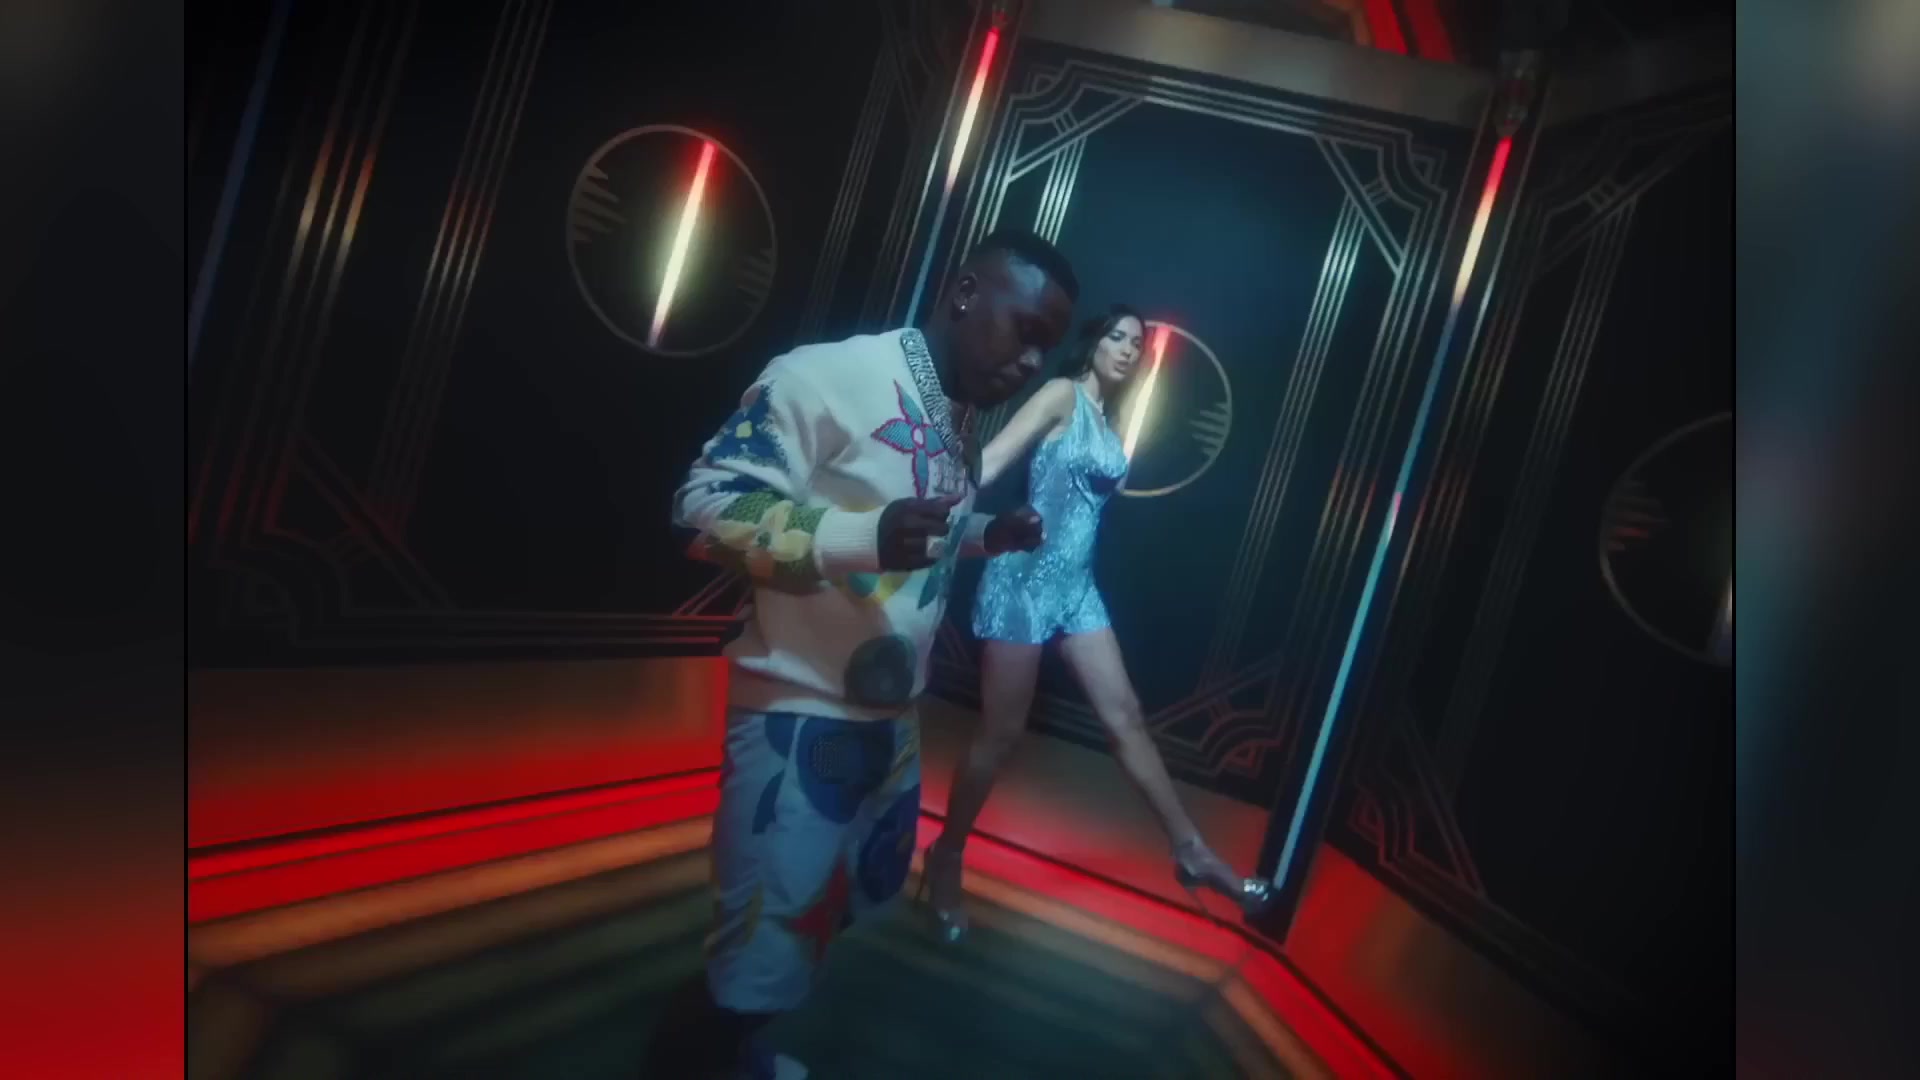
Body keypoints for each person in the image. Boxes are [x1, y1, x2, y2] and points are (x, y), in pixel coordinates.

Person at [643, 230, 1077, 1079]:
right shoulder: (827, 374)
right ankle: (696, 1056)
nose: (1032, 362)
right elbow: (701, 509)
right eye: (1025, 331)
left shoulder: (955, 415)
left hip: (891, 723)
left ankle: (739, 1051)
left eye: (1047, 348)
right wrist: (860, 535)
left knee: (853, 897)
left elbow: (914, 535)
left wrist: (987, 535)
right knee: (760, 948)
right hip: (798, 713)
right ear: (963, 293)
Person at [922, 305, 1273, 945]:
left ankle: (1191, 850)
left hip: (1077, 588)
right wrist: (935, 504)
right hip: (1023, 581)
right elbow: (992, 462)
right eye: (1118, 336)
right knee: (1000, 737)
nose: (1128, 349)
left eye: (1137, 343)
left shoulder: (1111, 423)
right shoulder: (1062, 396)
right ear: (1094, 343)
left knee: (1126, 717)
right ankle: (947, 854)